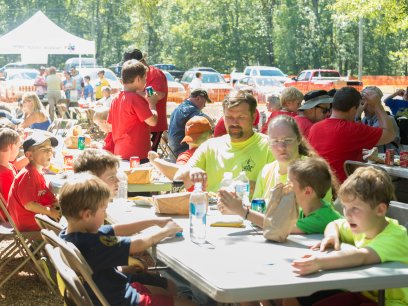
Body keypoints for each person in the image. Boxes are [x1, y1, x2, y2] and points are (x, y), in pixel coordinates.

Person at [59, 172, 195, 306]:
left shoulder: (71, 234)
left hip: (114, 291)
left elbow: (116, 229)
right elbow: (139, 244)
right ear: (88, 214)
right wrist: (167, 230)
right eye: (104, 209)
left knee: (167, 288)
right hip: (121, 301)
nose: (105, 213)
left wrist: (153, 221)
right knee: (189, 304)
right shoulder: (93, 245)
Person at [292, 166, 408, 306]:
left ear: (380, 210)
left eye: (355, 209)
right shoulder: (363, 225)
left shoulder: (394, 237)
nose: (347, 214)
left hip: (391, 303)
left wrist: (320, 262)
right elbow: (334, 224)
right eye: (345, 207)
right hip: (362, 294)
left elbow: (362, 257)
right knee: (293, 297)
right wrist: (331, 236)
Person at [174, 91, 273, 194]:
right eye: (229, 117)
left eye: (241, 117)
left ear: (253, 117)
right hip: (210, 208)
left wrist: (254, 186)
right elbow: (177, 180)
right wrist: (191, 173)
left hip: (250, 209)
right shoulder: (210, 146)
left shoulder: (270, 147)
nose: (234, 123)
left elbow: (281, 190)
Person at [308, 86, 395, 183]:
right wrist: (378, 105)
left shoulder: (314, 128)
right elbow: (389, 134)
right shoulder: (352, 130)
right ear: (354, 109)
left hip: (319, 185)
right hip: (344, 189)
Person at [7, 133, 60, 231]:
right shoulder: (28, 175)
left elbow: (44, 195)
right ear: (29, 155)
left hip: (35, 218)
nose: (49, 153)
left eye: (50, 149)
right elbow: (29, 204)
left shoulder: (36, 172)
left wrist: (55, 203)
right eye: (44, 149)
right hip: (29, 224)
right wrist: (50, 212)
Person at [107, 60, 158, 161]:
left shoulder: (116, 98)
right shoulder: (135, 98)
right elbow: (153, 122)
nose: (145, 81)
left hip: (120, 151)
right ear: (138, 79)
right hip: (137, 154)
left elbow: (109, 125)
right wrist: (152, 103)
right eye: (145, 78)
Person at [123, 48, 168, 152]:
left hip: (153, 124)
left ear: (142, 61)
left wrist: (131, 92)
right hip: (139, 124)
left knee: (149, 155)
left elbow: (158, 95)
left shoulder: (156, 74)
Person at [148, 116, 213, 180]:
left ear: (187, 141)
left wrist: (155, 160)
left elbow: (178, 174)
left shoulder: (187, 156)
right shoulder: (216, 152)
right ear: (210, 137)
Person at [168, 89, 212, 159]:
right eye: (204, 103)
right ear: (198, 98)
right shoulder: (190, 109)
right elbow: (207, 121)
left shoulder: (180, 107)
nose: (204, 106)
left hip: (173, 147)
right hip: (181, 148)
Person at [357, 86, 400, 153]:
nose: (363, 106)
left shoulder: (388, 120)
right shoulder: (365, 120)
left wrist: (357, 117)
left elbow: (365, 141)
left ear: (376, 102)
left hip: (387, 160)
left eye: (367, 101)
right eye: (362, 101)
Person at [0, 128, 21, 220]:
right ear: (11, 146)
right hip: (12, 218)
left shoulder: (10, 166)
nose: (19, 150)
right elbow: (13, 203)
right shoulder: (4, 174)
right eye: (19, 147)